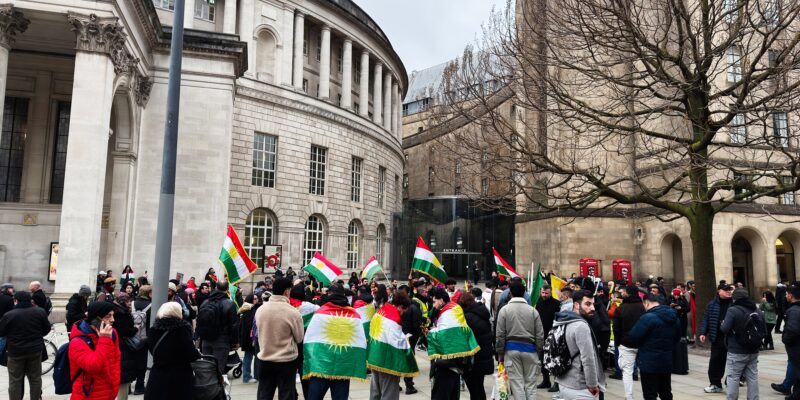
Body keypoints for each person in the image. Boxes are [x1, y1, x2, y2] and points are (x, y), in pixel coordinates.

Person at [255, 278, 304, 400]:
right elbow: (299, 338)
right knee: (286, 394)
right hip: (286, 361)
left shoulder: (260, 310)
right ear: (287, 291)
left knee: (264, 394)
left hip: (265, 358)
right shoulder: (293, 312)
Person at [626, 292, 681, 400]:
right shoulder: (674, 318)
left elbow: (633, 336)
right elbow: (676, 338)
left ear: (646, 303)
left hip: (648, 363)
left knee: (650, 394)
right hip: (666, 361)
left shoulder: (647, 318)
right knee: (666, 392)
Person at [495, 282, 544, 400]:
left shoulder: (504, 310)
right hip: (530, 350)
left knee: (516, 384)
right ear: (524, 293)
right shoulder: (533, 311)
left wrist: (500, 354)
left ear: (510, 293)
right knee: (531, 384)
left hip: (511, 350)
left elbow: (500, 335)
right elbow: (540, 335)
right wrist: (538, 351)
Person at [552, 290, 605, 399]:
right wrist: (592, 385)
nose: (593, 308)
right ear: (576, 305)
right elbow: (588, 358)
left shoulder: (563, 320)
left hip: (563, 382)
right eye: (587, 304)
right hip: (580, 387)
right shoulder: (581, 326)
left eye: (593, 304)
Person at [367, 293, 419, 400]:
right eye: (404, 310)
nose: (404, 313)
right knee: (389, 393)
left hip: (375, 357)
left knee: (375, 392)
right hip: (387, 362)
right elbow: (398, 342)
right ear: (400, 306)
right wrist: (406, 340)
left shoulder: (381, 311)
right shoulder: (394, 318)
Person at [0, 291, 51, 400]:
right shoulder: (40, 312)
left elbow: (1, 332)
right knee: (35, 379)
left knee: (15, 380)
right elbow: (46, 329)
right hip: (35, 350)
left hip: (15, 352)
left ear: (16, 301)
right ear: (30, 300)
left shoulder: (9, 315)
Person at [145, 302, 201, 400]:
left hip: (157, 375)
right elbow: (191, 353)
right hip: (179, 376)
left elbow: (152, 349)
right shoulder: (181, 329)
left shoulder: (153, 329)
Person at [69, 300, 121, 400]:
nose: (113, 320)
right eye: (108, 316)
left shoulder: (112, 333)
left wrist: (115, 384)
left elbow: (116, 361)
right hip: (86, 395)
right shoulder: (78, 341)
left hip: (109, 393)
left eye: (113, 315)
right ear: (95, 319)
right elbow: (93, 367)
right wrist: (104, 339)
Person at [719, 287, 765, 400]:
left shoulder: (733, 310)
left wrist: (723, 323)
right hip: (753, 349)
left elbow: (725, 329)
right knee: (752, 377)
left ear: (735, 299)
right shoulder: (757, 310)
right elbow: (764, 331)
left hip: (736, 349)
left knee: (733, 377)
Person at [699, 281, 735, 393]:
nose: (728, 292)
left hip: (732, 337)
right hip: (718, 337)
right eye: (726, 290)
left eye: (729, 289)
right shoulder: (712, 304)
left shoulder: (734, 303)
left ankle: (732, 382)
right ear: (719, 291)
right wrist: (703, 333)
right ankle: (715, 383)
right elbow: (706, 319)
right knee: (715, 361)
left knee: (734, 361)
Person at [197, 280, 239, 375]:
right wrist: (235, 342)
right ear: (227, 289)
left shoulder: (205, 302)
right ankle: (216, 389)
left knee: (207, 370)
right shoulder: (229, 303)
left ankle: (207, 388)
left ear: (216, 288)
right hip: (221, 340)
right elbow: (234, 325)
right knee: (218, 370)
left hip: (206, 340)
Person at [612, 285, 645, 399]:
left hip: (626, 343)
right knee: (645, 370)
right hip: (642, 343)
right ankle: (649, 394)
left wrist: (618, 342)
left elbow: (616, 328)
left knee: (627, 372)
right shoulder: (643, 307)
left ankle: (629, 396)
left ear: (628, 293)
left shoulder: (621, 308)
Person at [459, 292, 494, 400]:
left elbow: (464, 339)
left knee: (474, 391)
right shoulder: (482, 312)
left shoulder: (468, 318)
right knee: (479, 388)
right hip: (484, 357)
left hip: (473, 361)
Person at [112, 293, 138, 400]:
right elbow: (125, 331)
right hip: (123, 345)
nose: (129, 303)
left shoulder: (117, 311)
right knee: (124, 375)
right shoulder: (121, 313)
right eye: (127, 301)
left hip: (119, 343)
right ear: (122, 301)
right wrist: (135, 329)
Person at [398, 285, 422, 395]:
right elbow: (417, 323)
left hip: (405, 336)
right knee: (408, 360)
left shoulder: (411, 305)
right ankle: (408, 385)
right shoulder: (412, 305)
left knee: (401, 359)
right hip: (407, 336)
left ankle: (401, 384)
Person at [536, 284, 561, 389]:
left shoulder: (556, 304)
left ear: (550, 293)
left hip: (553, 335)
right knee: (543, 360)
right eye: (543, 293)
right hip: (541, 335)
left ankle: (557, 382)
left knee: (554, 359)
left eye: (546, 293)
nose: (544, 295)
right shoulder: (539, 302)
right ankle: (546, 381)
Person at [132, 285, 152, 395]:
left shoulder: (132, 303)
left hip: (132, 336)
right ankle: (139, 386)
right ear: (149, 293)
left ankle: (128, 386)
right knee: (142, 362)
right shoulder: (152, 304)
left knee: (132, 360)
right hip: (145, 337)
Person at [782, 283, 800, 400]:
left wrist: (785, 339)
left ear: (791, 295)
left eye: (786, 294)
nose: (785, 296)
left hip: (796, 346)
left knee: (798, 371)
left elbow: (792, 329)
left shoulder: (793, 310)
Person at [239, 293, 261, 383]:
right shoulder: (250, 310)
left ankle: (249, 376)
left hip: (248, 338)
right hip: (250, 338)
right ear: (251, 300)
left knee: (250, 356)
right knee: (249, 357)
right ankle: (247, 376)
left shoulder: (247, 309)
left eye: (257, 298)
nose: (257, 300)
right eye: (255, 299)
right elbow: (250, 326)